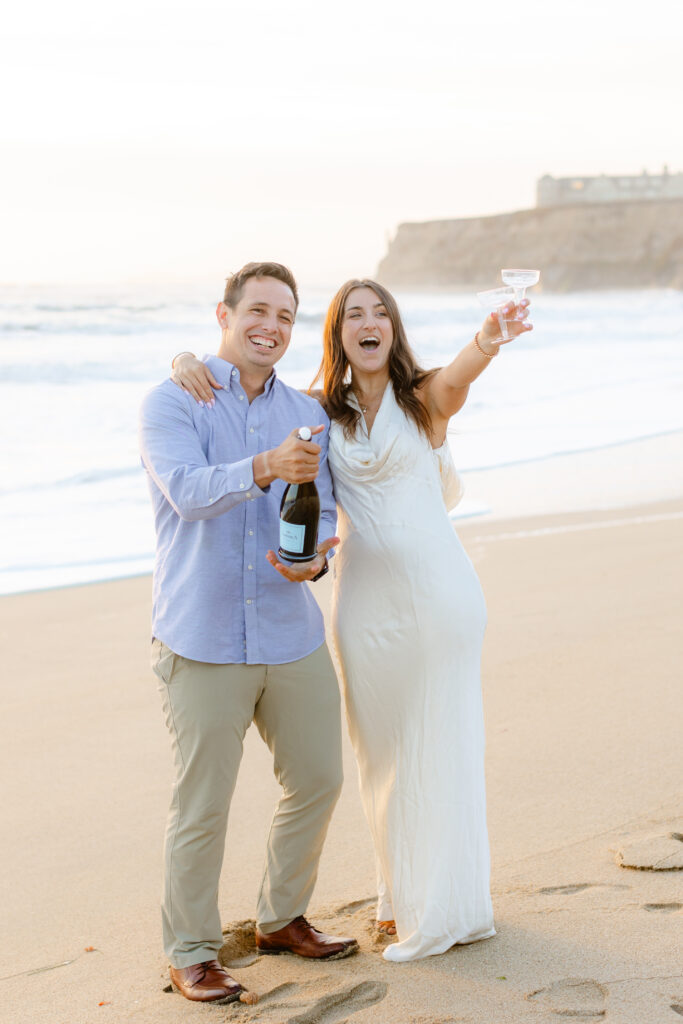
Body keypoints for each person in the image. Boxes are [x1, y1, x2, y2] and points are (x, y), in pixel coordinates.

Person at [171, 278, 532, 962]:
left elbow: (460, 376)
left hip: (437, 597)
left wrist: (488, 337)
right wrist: (184, 361)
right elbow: (246, 390)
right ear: (337, 335)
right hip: (363, 605)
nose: (368, 324)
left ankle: (445, 900)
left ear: (392, 331)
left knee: (438, 741)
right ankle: (397, 897)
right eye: (353, 317)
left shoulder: (423, 398)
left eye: (380, 315)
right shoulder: (315, 409)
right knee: (380, 754)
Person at [138, 262, 358, 1006]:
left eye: (286, 315)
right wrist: (263, 465)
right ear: (224, 314)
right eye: (257, 309)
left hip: (289, 628)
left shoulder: (307, 411)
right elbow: (188, 491)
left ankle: (279, 917)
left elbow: (323, 508)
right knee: (203, 803)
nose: (271, 325)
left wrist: (315, 560)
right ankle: (192, 951)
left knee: (319, 778)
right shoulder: (175, 400)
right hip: (199, 636)